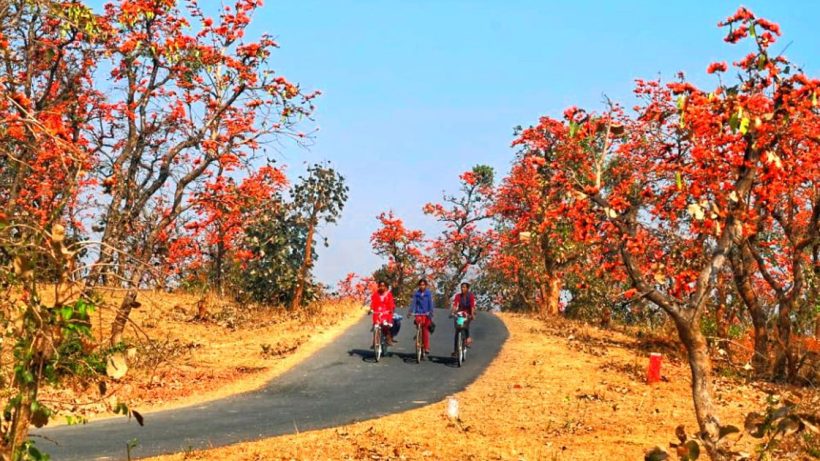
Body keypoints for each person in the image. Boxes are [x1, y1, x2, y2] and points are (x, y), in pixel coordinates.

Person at [409, 279, 434, 355]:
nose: (422, 286)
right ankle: (418, 336)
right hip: (418, 313)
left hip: (426, 313)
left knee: (425, 330)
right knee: (418, 325)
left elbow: (430, 304)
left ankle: (426, 347)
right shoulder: (417, 294)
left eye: (423, 285)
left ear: (425, 285)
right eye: (420, 285)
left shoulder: (428, 293)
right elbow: (413, 303)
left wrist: (431, 312)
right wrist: (410, 311)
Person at [451, 282, 476, 355]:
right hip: (460, 313)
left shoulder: (470, 296)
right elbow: (455, 305)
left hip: (468, 313)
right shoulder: (458, 296)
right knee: (458, 329)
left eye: (464, 287)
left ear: (467, 288)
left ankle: (467, 339)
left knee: (466, 326)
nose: (462, 289)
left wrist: (472, 314)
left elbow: (472, 306)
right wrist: (453, 312)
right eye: (462, 287)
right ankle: (456, 350)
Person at [370, 280, 395, 347]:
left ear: (386, 287)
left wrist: (390, 310)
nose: (382, 287)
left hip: (386, 313)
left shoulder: (389, 295)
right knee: (376, 325)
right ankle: (375, 342)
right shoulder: (375, 294)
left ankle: (388, 338)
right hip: (377, 312)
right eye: (380, 286)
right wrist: (371, 309)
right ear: (378, 287)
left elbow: (391, 304)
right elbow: (373, 303)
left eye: (383, 286)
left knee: (385, 326)